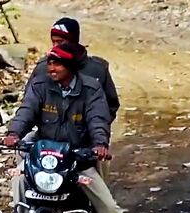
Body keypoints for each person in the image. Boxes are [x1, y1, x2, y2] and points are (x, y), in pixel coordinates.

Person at [3, 42, 144, 213]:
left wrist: (99, 145)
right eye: (50, 62)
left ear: (71, 66)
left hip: (77, 158)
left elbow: (98, 119)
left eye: (57, 63)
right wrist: (14, 133)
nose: (51, 67)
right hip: (44, 155)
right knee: (18, 179)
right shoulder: (40, 85)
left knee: (108, 205)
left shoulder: (91, 89)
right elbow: (26, 111)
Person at [27, 17, 120, 180]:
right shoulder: (43, 69)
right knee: (23, 170)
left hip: (86, 143)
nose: (56, 46)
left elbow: (108, 108)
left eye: (61, 41)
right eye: (53, 42)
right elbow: (28, 106)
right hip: (48, 142)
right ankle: (20, 205)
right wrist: (15, 133)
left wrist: (92, 132)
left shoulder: (96, 71)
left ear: (73, 42)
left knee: (100, 177)